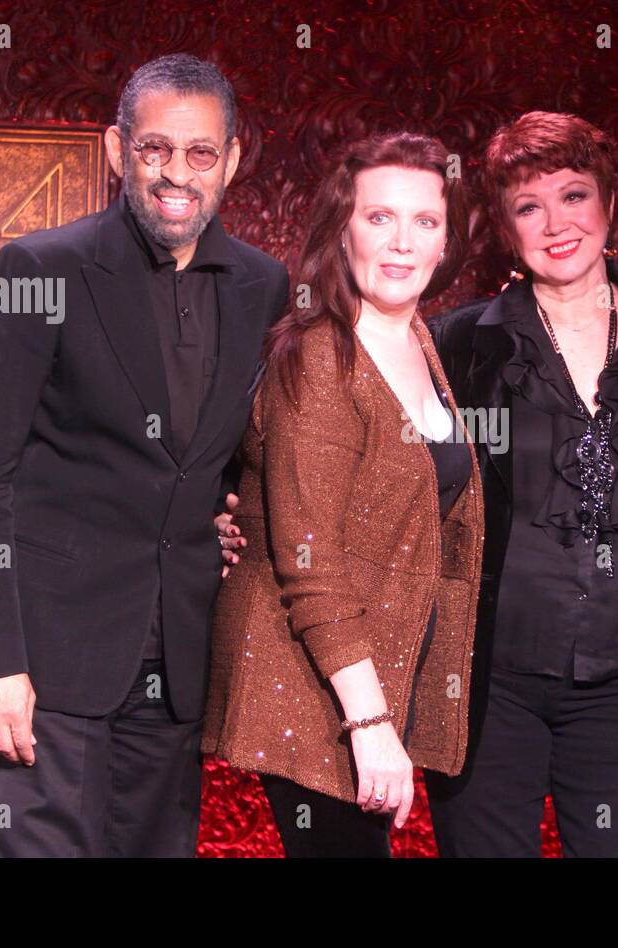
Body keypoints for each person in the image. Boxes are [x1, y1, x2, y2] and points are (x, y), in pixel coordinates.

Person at [0, 54, 288, 857]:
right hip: (41, 667)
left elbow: (236, 459)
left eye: (201, 153)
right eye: (154, 149)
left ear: (231, 161)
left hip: (176, 671)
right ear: (115, 151)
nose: (177, 174)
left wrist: (231, 516)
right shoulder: (39, 270)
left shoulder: (265, 288)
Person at [424, 111, 618, 856]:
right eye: (528, 206)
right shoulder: (461, 343)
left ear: (610, 204)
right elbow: (401, 491)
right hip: (489, 685)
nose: (556, 223)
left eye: (573, 195)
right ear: (504, 227)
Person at [203, 131, 483, 857]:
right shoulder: (323, 352)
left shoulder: (416, 338)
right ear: (342, 228)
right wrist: (370, 722)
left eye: (425, 221)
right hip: (314, 685)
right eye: (379, 217)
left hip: (365, 677)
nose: (402, 242)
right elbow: (310, 557)